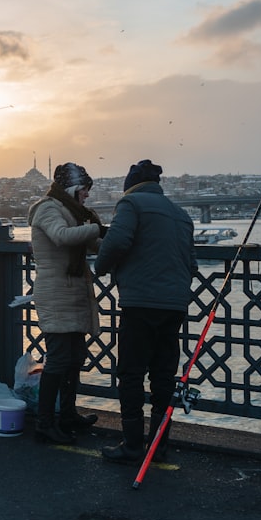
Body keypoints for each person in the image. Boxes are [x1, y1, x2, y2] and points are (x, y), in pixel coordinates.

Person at [93, 159, 197, 463]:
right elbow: (191, 263)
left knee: (131, 374)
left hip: (140, 303)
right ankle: (159, 445)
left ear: (130, 184)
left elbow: (119, 240)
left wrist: (100, 266)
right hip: (175, 304)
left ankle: (133, 445)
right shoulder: (181, 214)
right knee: (164, 377)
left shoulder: (131, 204)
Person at [26, 162, 106, 444]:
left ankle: (68, 414)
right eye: (84, 190)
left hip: (73, 292)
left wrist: (112, 236)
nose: (87, 196)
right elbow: (61, 236)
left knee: (75, 358)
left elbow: (94, 244)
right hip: (55, 292)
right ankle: (45, 423)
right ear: (72, 188)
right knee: (58, 359)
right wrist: (97, 228)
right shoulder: (48, 208)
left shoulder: (76, 213)